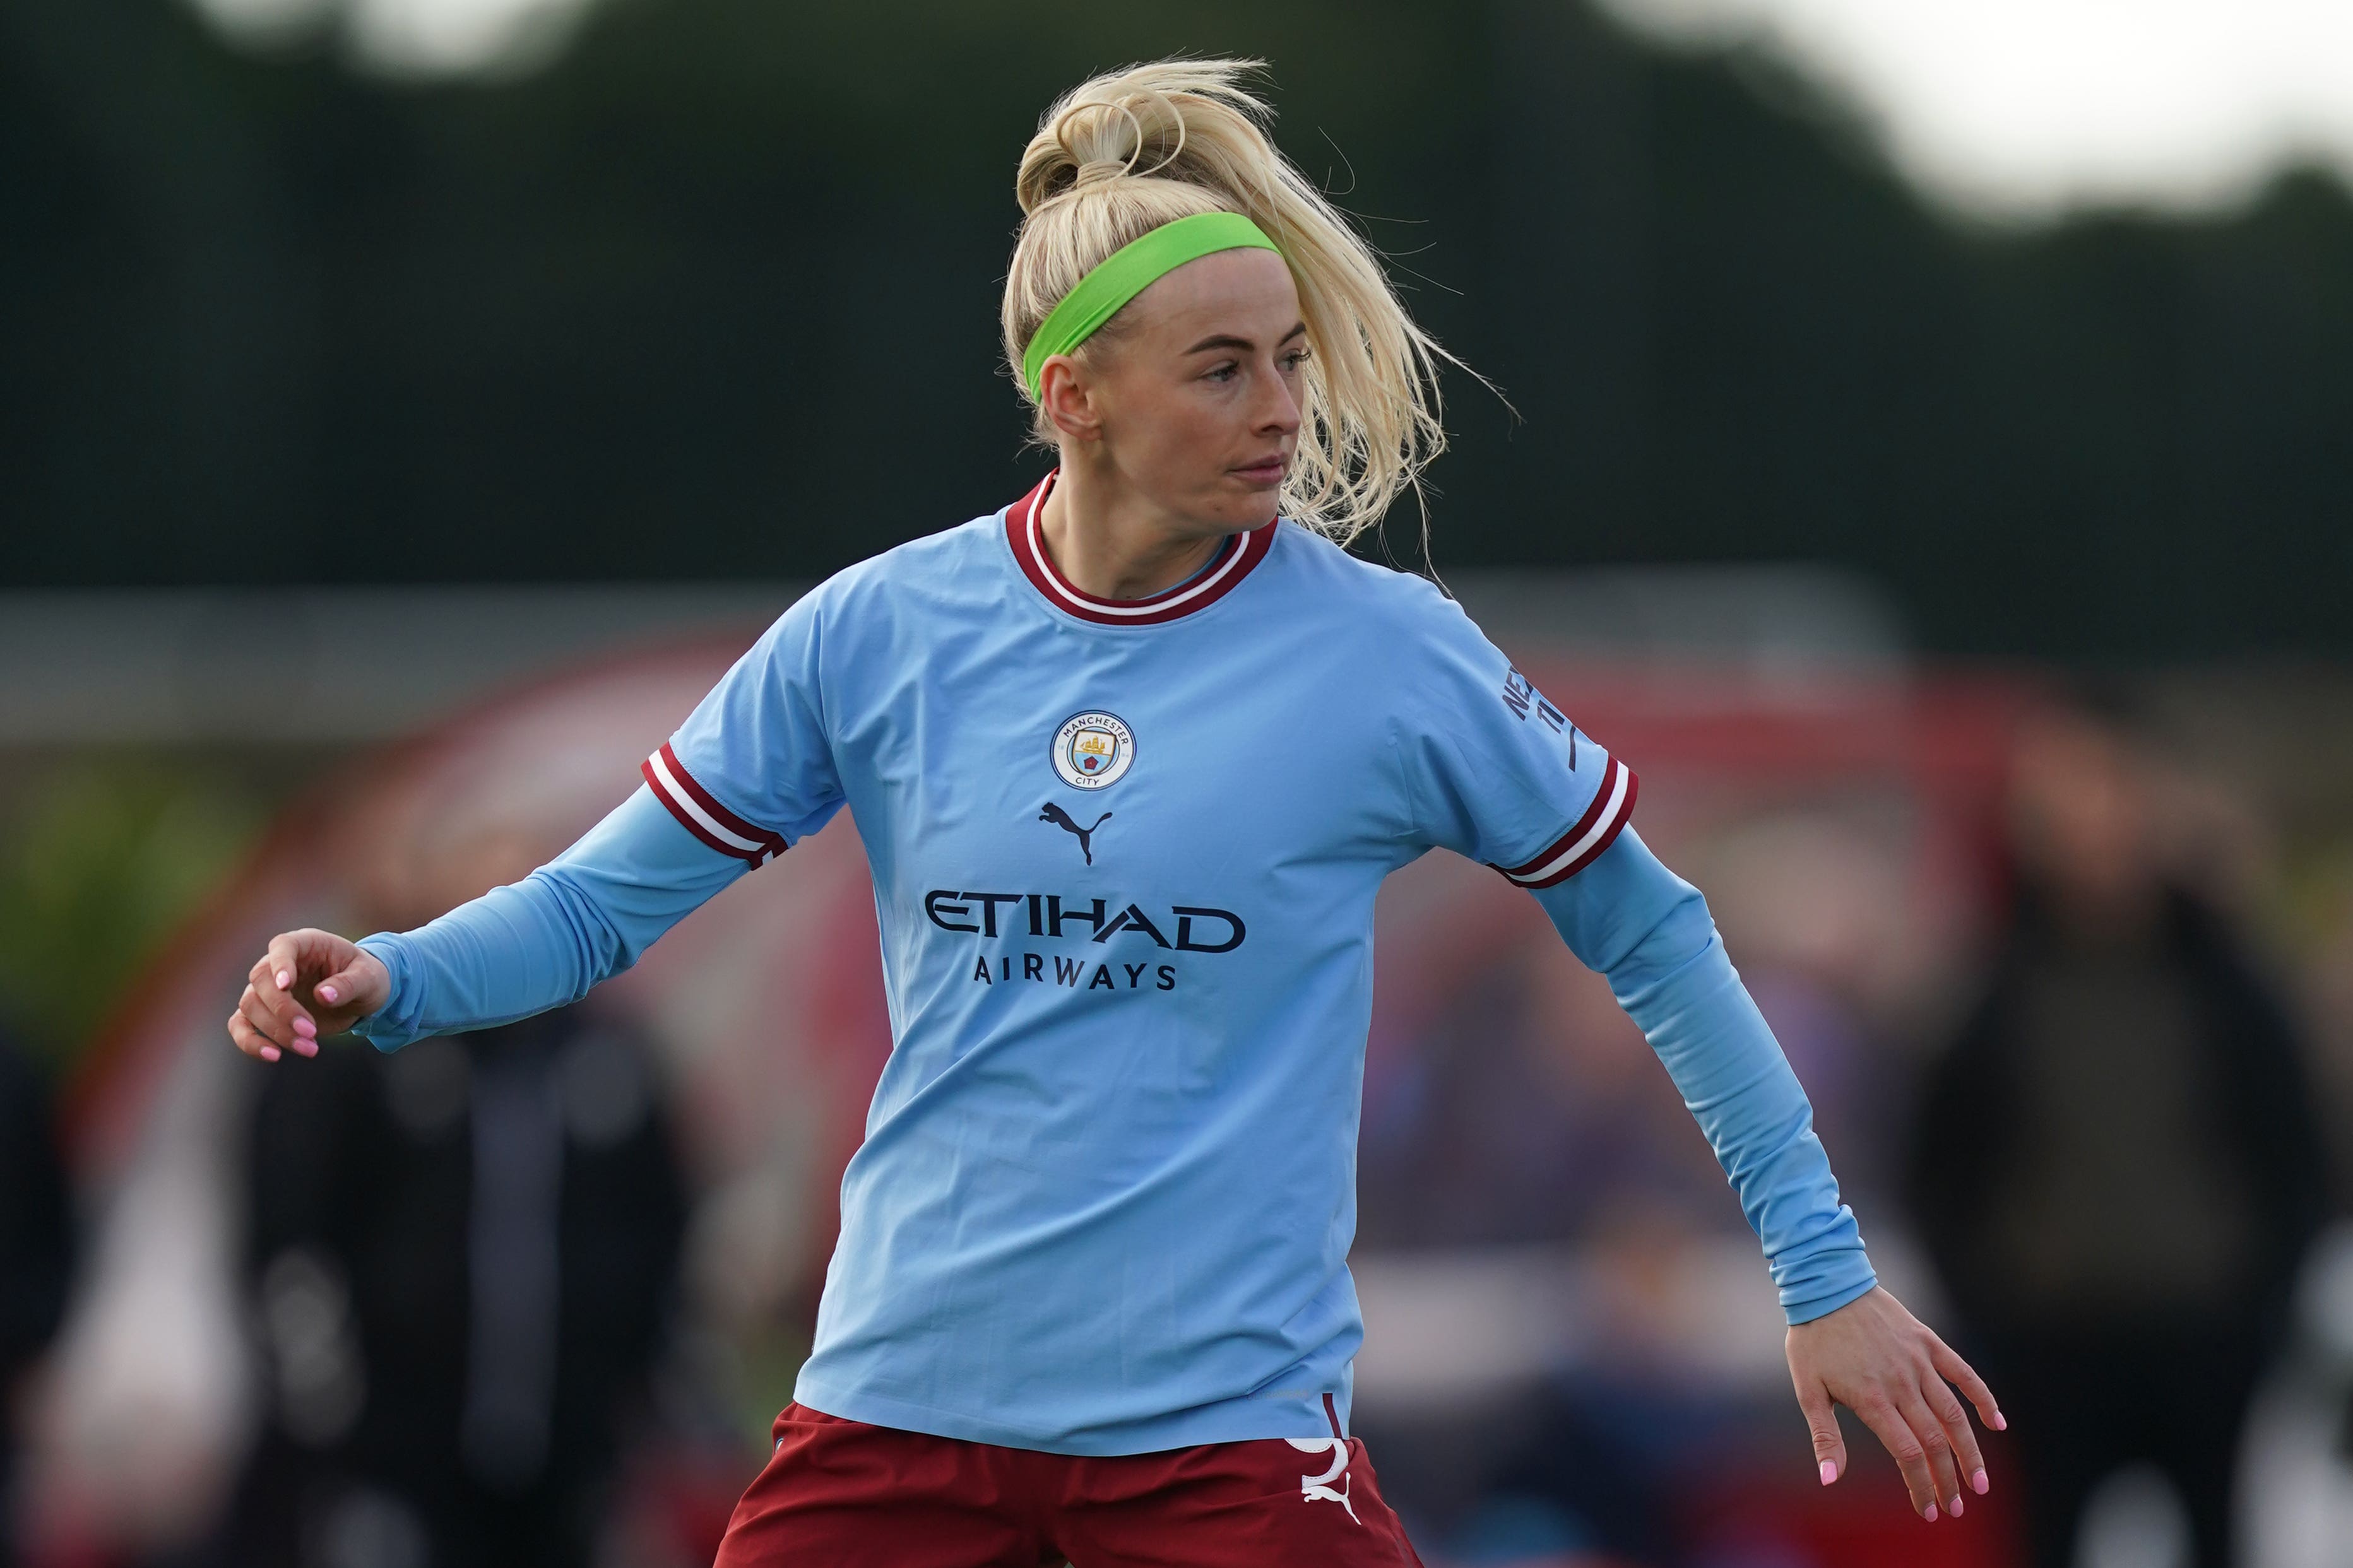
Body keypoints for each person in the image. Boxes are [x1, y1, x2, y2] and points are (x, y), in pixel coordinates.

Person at [228, 59, 2000, 1564]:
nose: (1284, 410)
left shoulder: (1388, 659)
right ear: (1072, 395)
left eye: (1291, 358)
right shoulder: (881, 629)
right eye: (1222, 367)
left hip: (1223, 1440)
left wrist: (1818, 1267)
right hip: (898, 1408)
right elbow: (603, 902)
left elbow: (1659, 933)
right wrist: (394, 974)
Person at [1908, 692, 2330, 1568]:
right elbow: (1939, 1164)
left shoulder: (2228, 985)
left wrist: (2262, 1306)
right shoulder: (1992, 986)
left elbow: (2296, 1150)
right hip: (2049, 1338)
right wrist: (1987, 1315)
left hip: (2207, 1331)